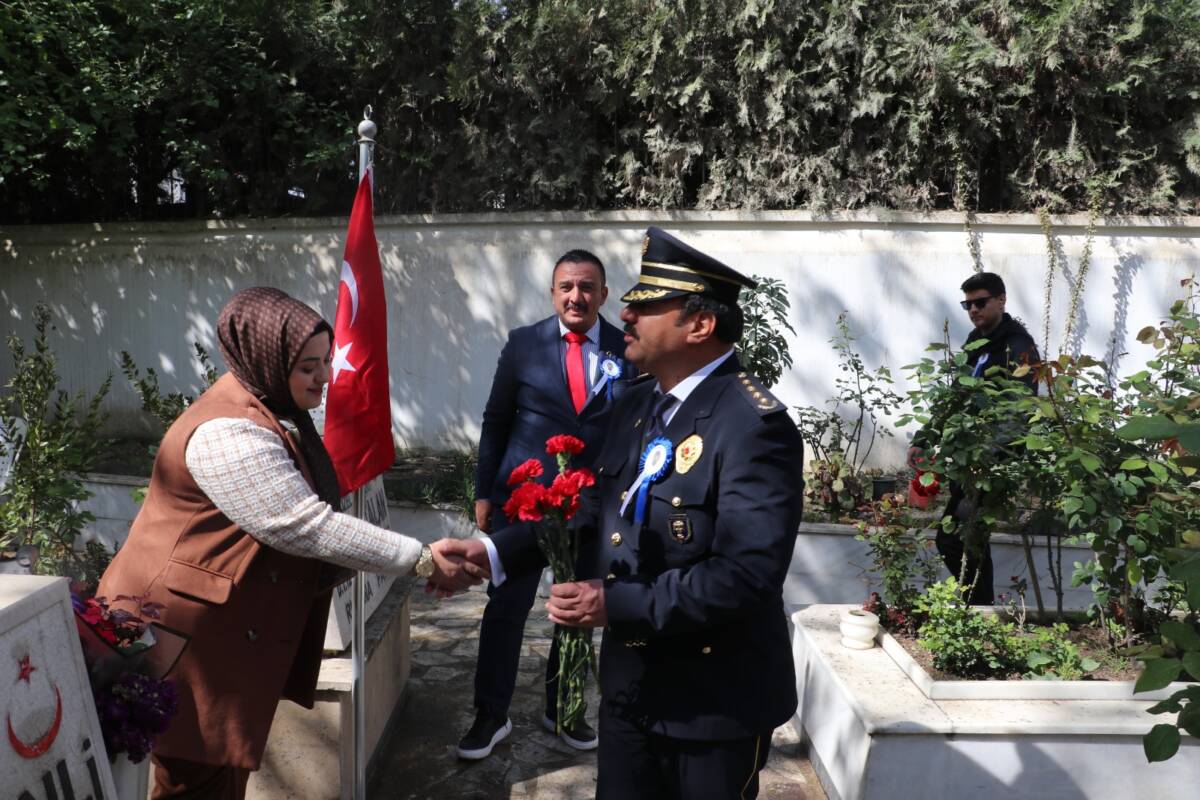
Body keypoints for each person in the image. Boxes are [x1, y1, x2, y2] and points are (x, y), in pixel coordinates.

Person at [97, 287, 485, 799]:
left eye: (325, 360)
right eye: (309, 366)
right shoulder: (230, 432)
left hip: (213, 636)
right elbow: (306, 526)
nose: (326, 375)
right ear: (265, 357)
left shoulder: (265, 408)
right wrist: (420, 559)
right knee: (196, 778)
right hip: (183, 641)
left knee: (219, 771)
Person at [458, 227, 805, 799]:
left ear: (699, 325)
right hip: (631, 689)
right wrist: (495, 549)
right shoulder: (641, 404)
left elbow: (745, 576)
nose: (625, 313)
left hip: (711, 705)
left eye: (646, 305)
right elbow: (594, 508)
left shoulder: (754, 427)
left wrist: (610, 602)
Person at [458, 249, 634, 759]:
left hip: (595, 507)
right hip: (527, 502)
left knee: (576, 610)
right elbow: (496, 419)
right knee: (506, 608)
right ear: (553, 292)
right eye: (566, 287)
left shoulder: (629, 349)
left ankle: (565, 708)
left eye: (586, 287)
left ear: (603, 294)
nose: (576, 296)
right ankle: (490, 715)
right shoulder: (523, 345)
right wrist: (485, 491)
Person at [907, 271, 1040, 604]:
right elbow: (956, 396)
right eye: (968, 305)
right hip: (967, 458)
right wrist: (925, 437)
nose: (974, 310)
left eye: (980, 302)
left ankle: (979, 611)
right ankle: (978, 610)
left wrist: (988, 458)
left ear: (1001, 300)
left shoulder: (1019, 347)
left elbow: (1019, 411)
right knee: (963, 539)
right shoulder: (974, 341)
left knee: (960, 538)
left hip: (992, 463)